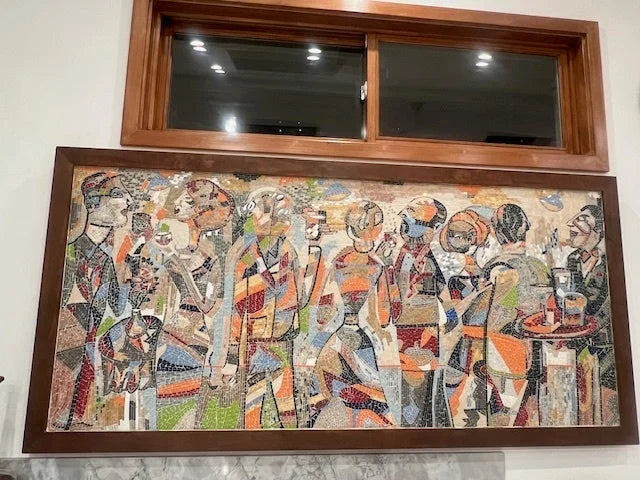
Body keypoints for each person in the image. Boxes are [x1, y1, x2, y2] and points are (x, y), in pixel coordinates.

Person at [214, 187, 325, 429]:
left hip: (282, 341)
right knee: (253, 409)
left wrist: (314, 249)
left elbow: (301, 298)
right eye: (267, 213)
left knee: (288, 411)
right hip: (252, 344)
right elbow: (233, 309)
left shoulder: (288, 251)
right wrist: (230, 358)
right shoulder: (243, 254)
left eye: (280, 215)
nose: (278, 221)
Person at [51, 172, 135, 429]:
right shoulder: (70, 253)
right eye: (118, 194)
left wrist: (125, 281)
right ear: (93, 202)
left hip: (91, 358)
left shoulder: (107, 259)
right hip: (68, 358)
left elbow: (115, 309)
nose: (128, 201)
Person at [313, 200, 401, 428]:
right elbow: (386, 314)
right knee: (378, 396)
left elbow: (323, 313)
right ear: (378, 231)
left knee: (326, 387)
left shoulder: (339, 260)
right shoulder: (378, 265)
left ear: (349, 229)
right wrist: (389, 269)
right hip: (365, 341)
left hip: (340, 337)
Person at [481, 204, 552, 427]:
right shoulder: (539, 266)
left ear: (497, 233)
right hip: (541, 348)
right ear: (525, 229)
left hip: (507, 351)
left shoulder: (498, 267)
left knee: (505, 415)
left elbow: (501, 313)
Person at [392, 196, 457, 427]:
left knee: (427, 377)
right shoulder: (404, 255)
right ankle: (414, 424)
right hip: (408, 326)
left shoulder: (426, 255)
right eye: (433, 227)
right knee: (412, 378)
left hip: (427, 325)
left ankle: (424, 422)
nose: (434, 233)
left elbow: (439, 285)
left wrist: (449, 310)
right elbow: (397, 289)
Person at [440, 209, 494, 427]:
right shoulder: (454, 274)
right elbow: (452, 314)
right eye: (454, 234)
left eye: (464, 235)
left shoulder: (478, 270)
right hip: (461, 341)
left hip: (476, 342)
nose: (458, 239)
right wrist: (476, 293)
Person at [565, 204, 616, 425]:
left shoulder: (610, 261)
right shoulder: (572, 259)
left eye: (582, 220)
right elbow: (570, 297)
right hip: (578, 339)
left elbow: (610, 305)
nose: (572, 225)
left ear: (597, 230)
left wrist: (591, 326)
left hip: (604, 342)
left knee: (606, 395)